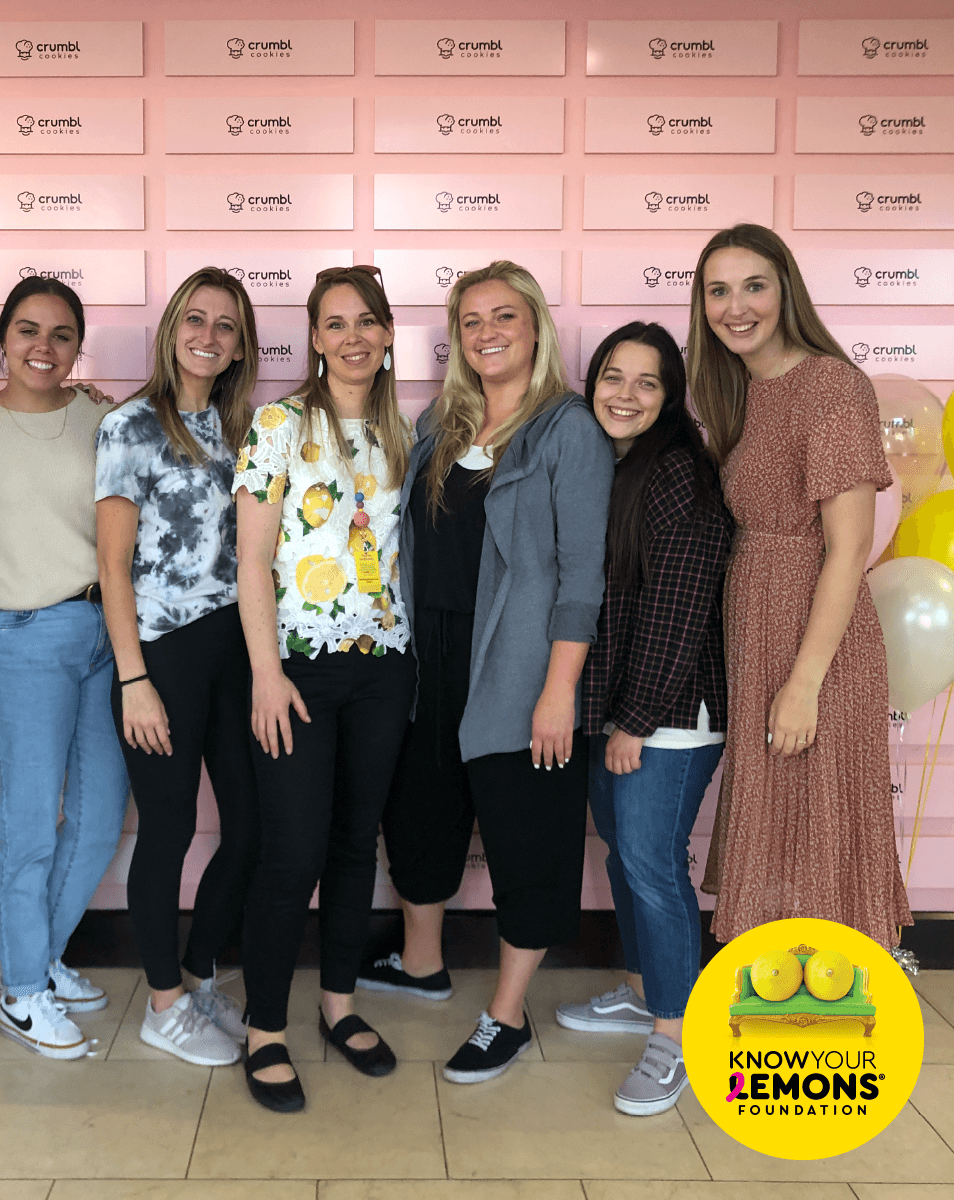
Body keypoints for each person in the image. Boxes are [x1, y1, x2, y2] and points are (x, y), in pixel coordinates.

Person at [361, 260, 614, 1085]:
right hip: (427, 657)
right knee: (418, 815)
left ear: (535, 327)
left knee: (526, 835)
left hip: (518, 661)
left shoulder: (567, 430)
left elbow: (582, 577)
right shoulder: (440, 420)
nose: (487, 333)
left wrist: (558, 690)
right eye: (470, 321)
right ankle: (421, 963)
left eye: (504, 316)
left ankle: (506, 1014)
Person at [688, 224, 912, 949]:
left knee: (821, 831)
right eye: (719, 291)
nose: (736, 307)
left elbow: (848, 550)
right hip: (758, 636)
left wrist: (804, 684)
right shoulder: (739, 390)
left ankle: (836, 998)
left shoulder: (831, 385)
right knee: (780, 830)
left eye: (753, 285)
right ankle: (779, 994)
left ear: (786, 290)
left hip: (818, 650)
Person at [233, 265, 415, 1113]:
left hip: (384, 666)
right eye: (335, 324)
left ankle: (338, 1004)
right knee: (292, 852)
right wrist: (265, 674)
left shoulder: (401, 431)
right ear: (313, 338)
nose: (352, 338)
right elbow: (251, 561)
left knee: (353, 845)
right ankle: (264, 1027)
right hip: (297, 669)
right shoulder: (278, 424)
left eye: (366, 322)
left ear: (387, 335)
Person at [0, 276, 131, 1059]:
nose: (43, 347)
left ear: (79, 347)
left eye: (62, 334)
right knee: (27, 823)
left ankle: (39, 960)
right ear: (2, 338)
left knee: (99, 816)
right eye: (28, 330)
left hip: (103, 630)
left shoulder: (104, 420)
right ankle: (23, 992)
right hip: (18, 635)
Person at [555, 322, 733, 1117]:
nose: (624, 394)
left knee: (652, 865)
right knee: (627, 861)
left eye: (647, 381)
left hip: (669, 715)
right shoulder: (614, 465)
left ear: (670, 396)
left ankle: (675, 1036)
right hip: (618, 708)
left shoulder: (678, 474)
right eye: (612, 376)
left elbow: (678, 612)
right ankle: (643, 992)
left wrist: (634, 722)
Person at [95, 267, 261, 1067]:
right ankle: (162, 1004)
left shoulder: (245, 429)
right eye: (195, 319)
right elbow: (112, 566)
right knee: (168, 829)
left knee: (251, 825)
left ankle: (196, 977)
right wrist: (134, 681)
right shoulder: (129, 426)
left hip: (235, 648)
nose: (208, 336)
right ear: (171, 331)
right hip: (162, 651)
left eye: (226, 326)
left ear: (241, 347)